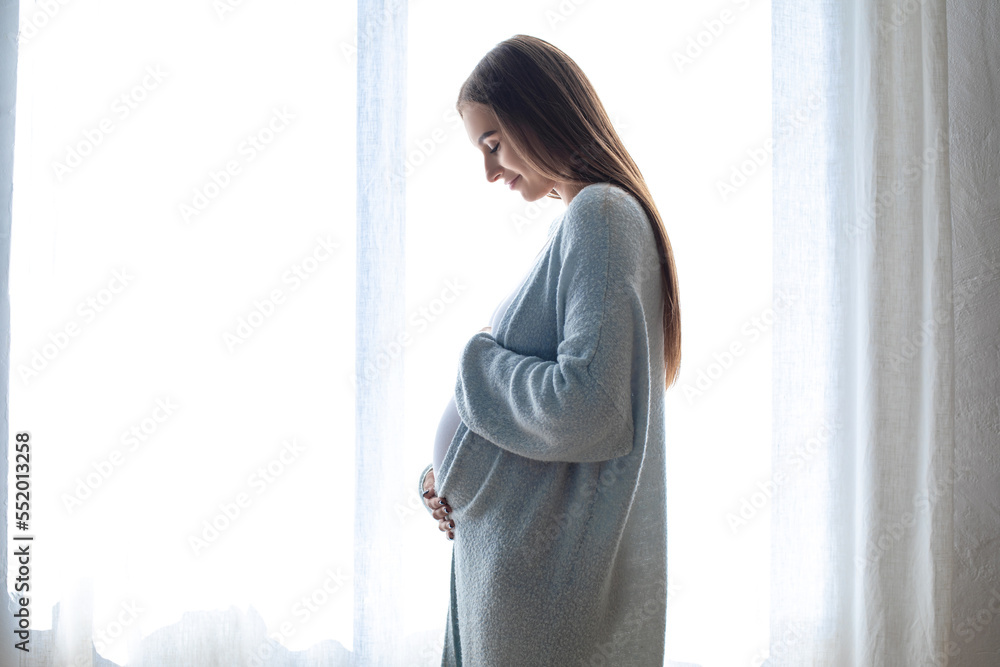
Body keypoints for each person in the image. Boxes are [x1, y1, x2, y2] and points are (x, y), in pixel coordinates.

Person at [417, 34, 681, 666]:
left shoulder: (602, 214)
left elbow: (589, 407)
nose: (489, 170)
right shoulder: (590, 219)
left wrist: (473, 365)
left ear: (537, 114)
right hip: (516, 579)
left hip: (539, 601)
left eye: (492, 143)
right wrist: (445, 477)